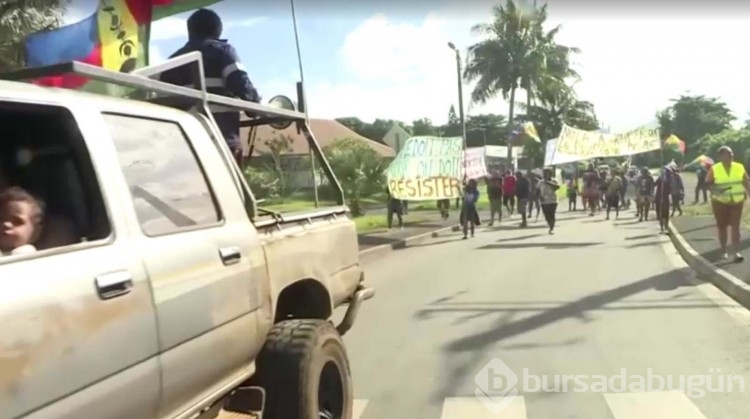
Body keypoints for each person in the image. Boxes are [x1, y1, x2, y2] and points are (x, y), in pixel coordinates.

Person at [160, 8, 261, 167]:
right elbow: (241, 85)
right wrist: (255, 105)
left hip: (184, 145)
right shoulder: (224, 51)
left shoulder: (171, 62)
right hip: (221, 139)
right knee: (229, 191)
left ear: (190, 31)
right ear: (218, 30)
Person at [706, 146, 750, 262]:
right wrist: (716, 191)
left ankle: (736, 252)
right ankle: (724, 251)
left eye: (732, 154)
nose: (731, 156)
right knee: (722, 227)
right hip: (720, 202)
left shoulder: (739, 167)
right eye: (728, 154)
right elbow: (708, 183)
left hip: (737, 201)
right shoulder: (715, 168)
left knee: (736, 228)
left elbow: (745, 181)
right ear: (720, 156)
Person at [0, 187, 43, 256]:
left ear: (35, 231)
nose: (6, 224)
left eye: (17, 221)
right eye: (0, 219)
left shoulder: (37, 259)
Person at [537, 168, 560, 234]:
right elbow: (537, 191)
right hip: (544, 201)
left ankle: (551, 228)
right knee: (546, 215)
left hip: (553, 201)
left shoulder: (554, 180)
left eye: (546, 173)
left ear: (550, 174)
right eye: (544, 173)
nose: (545, 175)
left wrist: (548, 182)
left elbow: (557, 187)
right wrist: (539, 196)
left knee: (552, 214)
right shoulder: (540, 182)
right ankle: (549, 224)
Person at [654, 166, 674, 234]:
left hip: (665, 199)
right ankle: (662, 228)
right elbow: (654, 184)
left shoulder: (669, 181)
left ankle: (666, 227)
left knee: (665, 214)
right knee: (660, 214)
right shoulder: (660, 179)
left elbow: (671, 190)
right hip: (658, 198)